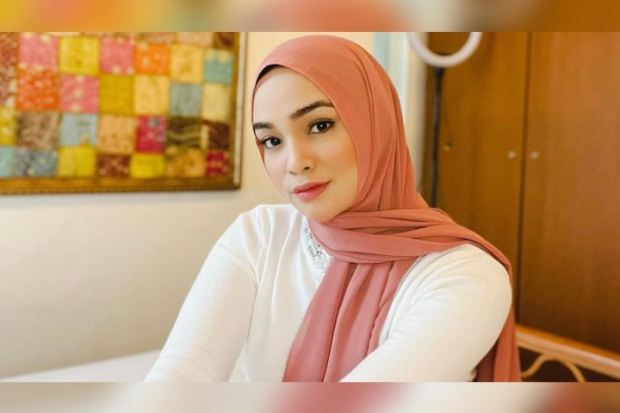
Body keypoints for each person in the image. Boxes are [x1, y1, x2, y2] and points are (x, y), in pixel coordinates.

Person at [144, 35, 520, 382]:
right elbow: (181, 375)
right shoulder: (260, 235)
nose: (295, 163)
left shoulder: (468, 276)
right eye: (272, 140)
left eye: (320, 125)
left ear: (376, 124)